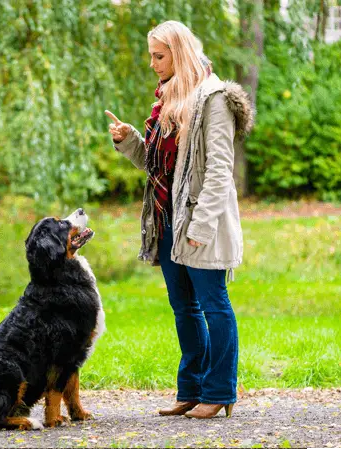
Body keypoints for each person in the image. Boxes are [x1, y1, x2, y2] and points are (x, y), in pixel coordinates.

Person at [105, 20, 254, 419]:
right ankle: (191, 389)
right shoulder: (167, 100)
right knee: (183, 307)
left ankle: (220, 391)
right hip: (167, 219)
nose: (153, 64)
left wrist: (201, 227)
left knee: (213, 303)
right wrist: (129, 140)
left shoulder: (214, 98)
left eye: (159, 55)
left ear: (179, 52)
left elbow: (221, 169)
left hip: (200, 223)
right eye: (151, 55)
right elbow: (158, 166)